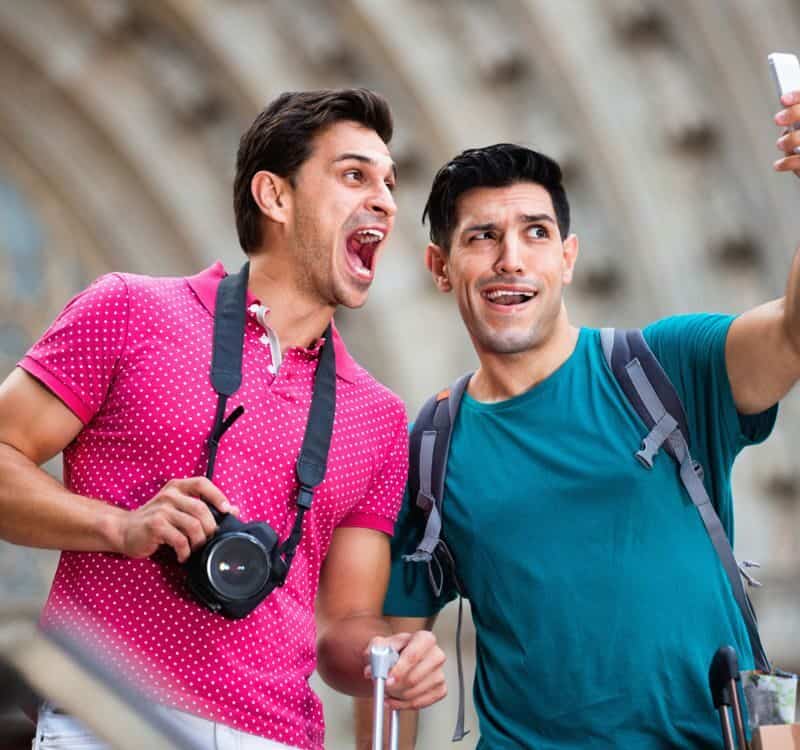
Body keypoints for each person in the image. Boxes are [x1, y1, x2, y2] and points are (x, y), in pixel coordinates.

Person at [0, 88, 446, 750]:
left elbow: (344, 624)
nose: (384, 200)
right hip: (107, 719)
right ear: (274, 196)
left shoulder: (377, 415)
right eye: (354, 175)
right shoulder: (128, 310)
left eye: (389, 183)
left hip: (278, 737)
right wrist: (120, 526)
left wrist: (391, 657)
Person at [357, 91, 800, 749]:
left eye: (536, 233)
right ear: (440, 267)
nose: (511, 259)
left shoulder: (667, 368)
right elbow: (390, 665)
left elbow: (791, 334)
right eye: (482, 236)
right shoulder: (428, 452)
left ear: (567, 258)